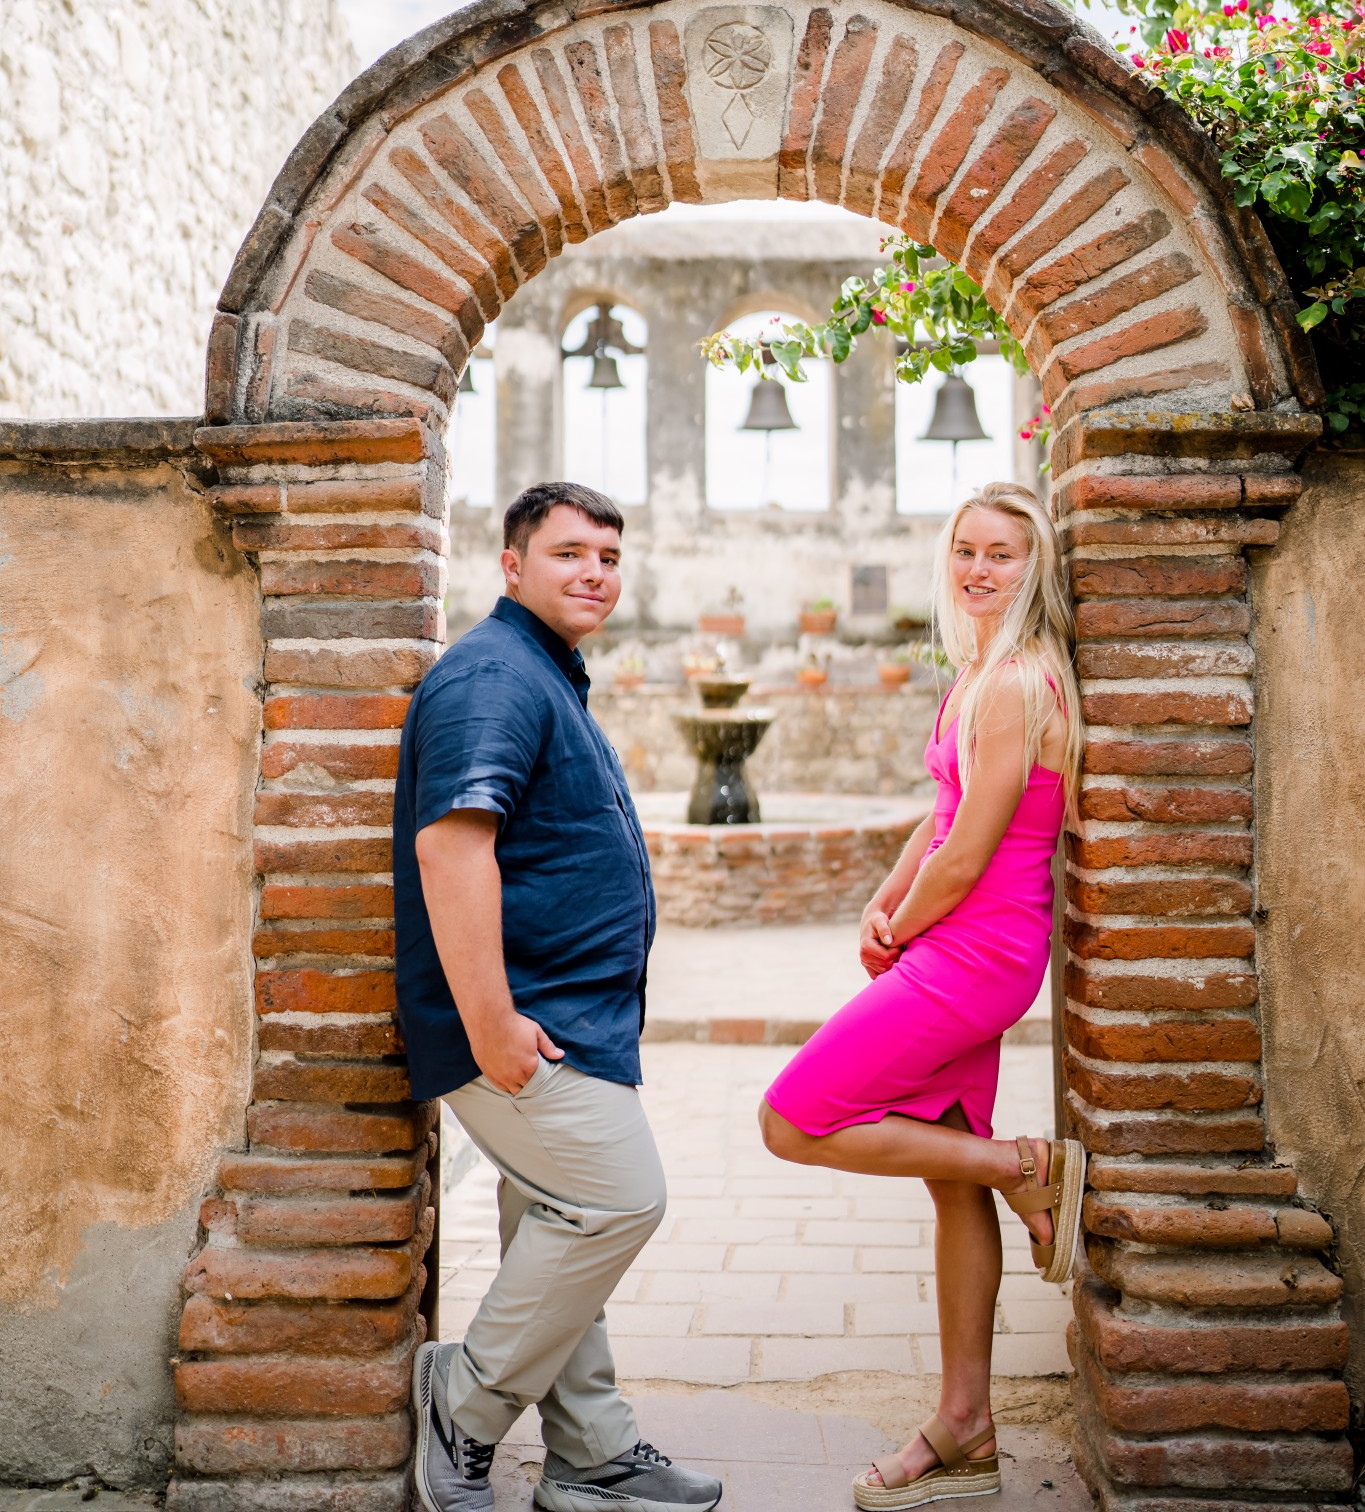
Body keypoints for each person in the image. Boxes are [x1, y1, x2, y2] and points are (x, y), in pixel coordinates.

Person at [758, 482, 1086, 1510]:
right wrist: (883, 895)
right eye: (966, 550)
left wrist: (904, 923)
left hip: (975, 954)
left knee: (791, 1117)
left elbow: (971, 854)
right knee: (947, 1179)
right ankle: (965, 1426)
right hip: (954, 941)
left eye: (1002, 554)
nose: (979, 569)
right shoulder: (979, 673)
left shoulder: (1016, 684)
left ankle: (1024, 1166)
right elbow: (939, 816)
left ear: (1035, 568)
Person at [397, 482, 722, 1512]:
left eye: (609, 557)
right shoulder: (494, 675)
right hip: (517, 1023)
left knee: (558, 1216)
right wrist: (493, 1023)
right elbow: (453, 846)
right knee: (618, 1198)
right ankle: (464, 1403)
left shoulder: (540, 671)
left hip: (566, 1018)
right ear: (512, 564)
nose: (594, 572)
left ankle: (590, 1452)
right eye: (569, 552)